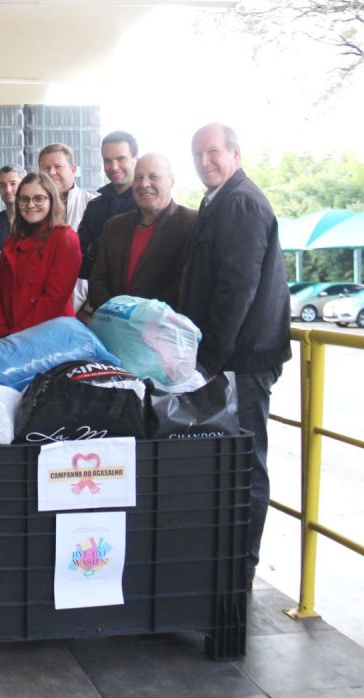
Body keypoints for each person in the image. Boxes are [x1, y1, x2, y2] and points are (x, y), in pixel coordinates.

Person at [180, 123, 292, 586]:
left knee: (246, 462)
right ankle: (227, 562)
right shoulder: (221, 199)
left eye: (213, 152)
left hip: (241, 362)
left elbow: (237, 289)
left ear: (236, 153)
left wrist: (210, 361)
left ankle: (240, 568)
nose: (206, 162)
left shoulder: (241, 201)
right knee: (232, 460)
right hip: (230, 361)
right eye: (198, 155)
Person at [87, 154, 195, 312]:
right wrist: (119, 315)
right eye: (138, 178)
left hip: (163, 328)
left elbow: (185, 285)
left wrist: (139, 317)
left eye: (154, 177)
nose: (144, 184)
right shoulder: (114, 226)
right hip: (113, 325)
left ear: (172, 181)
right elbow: (97, 281)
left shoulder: (190, 223)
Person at [0, 173, 81, 338]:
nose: (30, 205)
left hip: (51, 336)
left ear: (51, 200)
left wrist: (16, 337)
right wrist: (0, 333)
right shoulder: (11, 241)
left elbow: (54, 299)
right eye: (24, 199)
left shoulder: (65, 239)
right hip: (9, 336)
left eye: (39, 198)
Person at [76, 131, 140, 314]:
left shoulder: (149, 206)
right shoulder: (95, 207)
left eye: (121, 159)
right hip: (100, 306)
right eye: (107, 160)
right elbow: (84, 263)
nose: (114, 167)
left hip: (142, 306)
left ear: (136, 159)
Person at [38, 144, 95, 231]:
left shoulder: (92, 204)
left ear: (73, 170)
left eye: (58, 167)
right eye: (46, 168)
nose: (51, 172)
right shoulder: (31, 205)